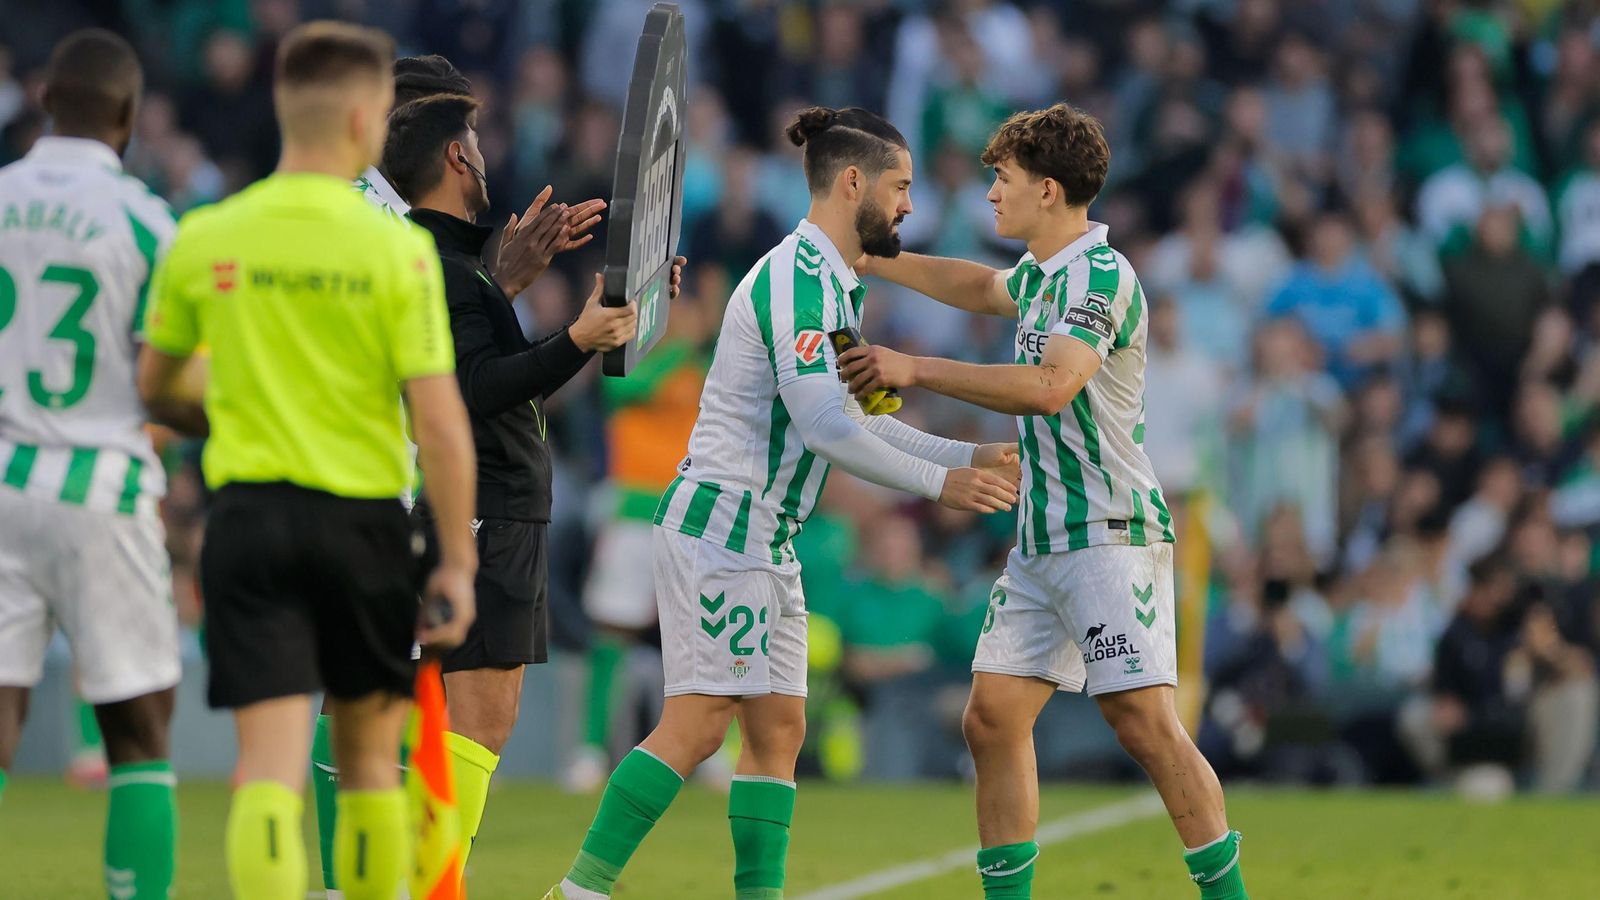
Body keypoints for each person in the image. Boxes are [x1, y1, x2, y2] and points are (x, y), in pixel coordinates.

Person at [546, 105, 1020, 900]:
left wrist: (964, 455)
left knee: (779, 730)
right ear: (853, 181)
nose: (909, 206)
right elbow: (828, 426)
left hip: (768, 535)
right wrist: (944, 482)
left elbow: (865, 418)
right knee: (698, 725)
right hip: (723, 523)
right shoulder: (796, 280)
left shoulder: (834, 285)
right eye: (901, 187)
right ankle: (579, 891)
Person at [838, 104, 1250, 900]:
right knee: (990, 719)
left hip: (1109, 534)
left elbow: (1052, 385)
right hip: (1041, 541)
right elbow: (981, 284)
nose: (993, 194)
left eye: (1005, 180)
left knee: (1146, 728)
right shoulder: (1041, 276)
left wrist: (914, 368)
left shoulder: (1100, 276)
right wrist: (876, 260)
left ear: (1051, 191)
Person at [136, 22, 479, 900]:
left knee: (268, 765)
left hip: (247, 521)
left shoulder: (211, 234)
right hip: (364, 524)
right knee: (367, 763)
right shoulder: (398, 250)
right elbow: (439, 423)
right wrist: (461, 563)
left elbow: (159, 388)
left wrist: (241, 397)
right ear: (368, 120)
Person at [312, 52, 605, 898]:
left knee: (373, 698)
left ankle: (354, 882)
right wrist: (555, 327)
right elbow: (456, 375)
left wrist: (495, 283)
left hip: (373, 482)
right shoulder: (391, 224)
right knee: (456, 710)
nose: (480, 148)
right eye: (467, 129)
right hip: (428, 485)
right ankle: (412, 884)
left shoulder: (374, 221)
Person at [379, 92, 648, 881]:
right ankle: (424, 884)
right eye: (477, 142)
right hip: (487, 514)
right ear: (458, 158)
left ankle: (418, 879)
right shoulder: (447, 270)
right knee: (477, 725)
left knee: (454, 728)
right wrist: (575, 340)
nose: (489, 155)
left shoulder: (449, 264)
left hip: (485, 511)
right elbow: (470, 389)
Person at [0, 28, 181, 899]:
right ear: (127, 115)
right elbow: (172, 379)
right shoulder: (148, 222)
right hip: (102, 484)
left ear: (44, 102)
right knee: (138, 732)